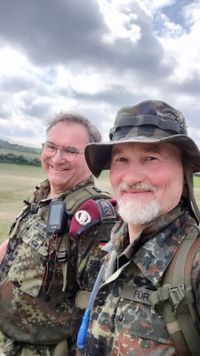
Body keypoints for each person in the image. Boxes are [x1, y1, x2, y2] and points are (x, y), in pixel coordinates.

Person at [81, 100, 200, 355]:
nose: (131, 177)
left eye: (151, 157)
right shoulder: (115, 247)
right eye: (121, 159)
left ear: (185, 170)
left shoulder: (194, 266)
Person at [0, 113, 116, 356]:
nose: (57, 157)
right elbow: (15, 244)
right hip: (12, 342)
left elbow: (99, 310)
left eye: (71, 151)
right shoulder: (42, 195)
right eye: (51, 146)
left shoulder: (95, 217)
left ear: (91, 158)